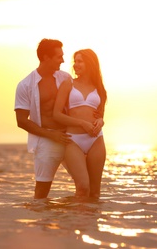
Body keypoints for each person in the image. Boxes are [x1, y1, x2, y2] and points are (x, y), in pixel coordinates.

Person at [14, 39, 72, 199]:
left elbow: (78, 103)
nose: (63, 60)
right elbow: (21, 121)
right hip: (47, 140)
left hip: (70, 137)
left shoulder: (66, 78)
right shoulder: (26, 85)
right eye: (59, 57)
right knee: (42, 191)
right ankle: (42, 223)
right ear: (46, 57)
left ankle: (76, 222)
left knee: (84, 184)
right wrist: (50, 135)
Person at [53, 49, 107, 199]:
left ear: (90, 63)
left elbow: (100, 115)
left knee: (95, 192)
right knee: (83, 187)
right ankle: (75, 222)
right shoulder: (68, 84)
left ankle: (92, 222)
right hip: (73, 140)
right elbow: (56, 114)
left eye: (80, 61)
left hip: (96, 140)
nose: (76, 65)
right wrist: (82, 123)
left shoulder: (100, 89)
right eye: (75, 61)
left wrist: (101, 121)